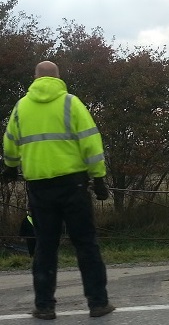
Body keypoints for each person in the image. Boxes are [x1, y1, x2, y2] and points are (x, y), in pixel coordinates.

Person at [2, 61, 114, 320]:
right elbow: (91, 142)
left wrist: (10, 166)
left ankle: (44, 306)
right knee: (85, 243)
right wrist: (98, 179)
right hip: (73, 185)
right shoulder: (71, 103)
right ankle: (98, 303)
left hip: (39, 188)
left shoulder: (22, 107)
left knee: (45, 246)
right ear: (58, 77)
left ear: (35, 77)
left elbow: (10, 141)